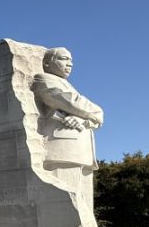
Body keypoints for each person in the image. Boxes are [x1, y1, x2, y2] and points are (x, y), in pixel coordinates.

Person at [31, 47, 105, 209]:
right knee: (64, 205)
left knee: (85, 205)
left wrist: (82, 119)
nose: (70, 64)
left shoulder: (66, 84)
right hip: (62, 148)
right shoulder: (43, 79)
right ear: (47, 62)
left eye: (71, 60)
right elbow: (71, 101)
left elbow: (85, 113)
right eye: (64, 59)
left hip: (81, 150)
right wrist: (97, 113)